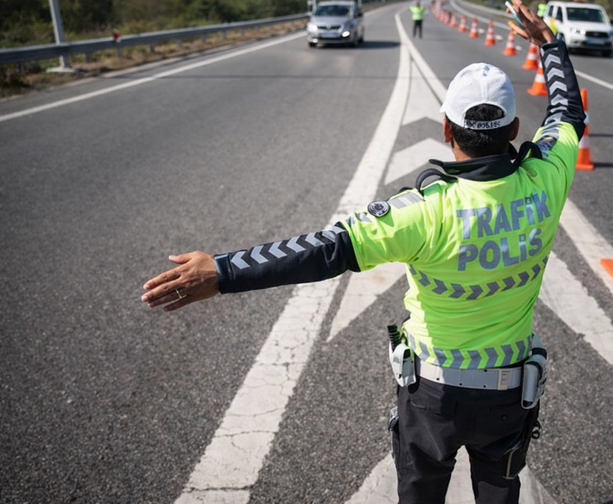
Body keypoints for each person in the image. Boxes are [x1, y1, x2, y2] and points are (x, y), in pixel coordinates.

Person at [140, 1, 585, 502]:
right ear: (514, 130)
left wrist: (221, 272)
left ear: (445, 129)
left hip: (433, 395)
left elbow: (323, 251)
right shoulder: (547, 179)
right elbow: (568, 112)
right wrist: (549, 43)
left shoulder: (422, 212)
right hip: (508, 394)